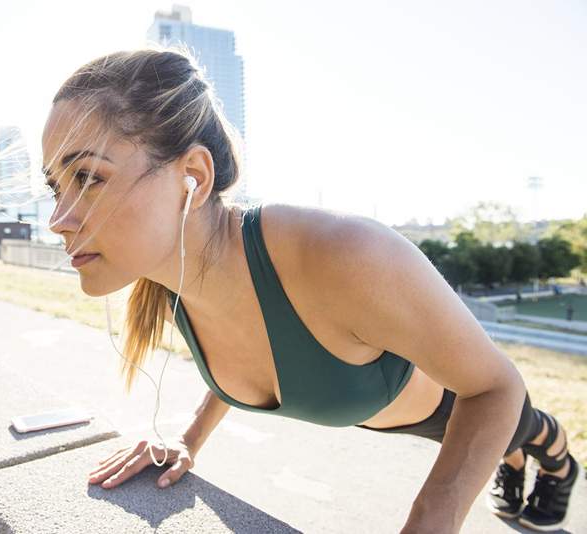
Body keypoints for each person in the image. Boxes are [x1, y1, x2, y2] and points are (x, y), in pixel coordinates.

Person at [39, 46, 580, 533]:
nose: (59, 219)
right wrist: (188, 439)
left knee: (521, 432)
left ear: (194, 177)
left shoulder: (343, 251)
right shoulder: (171, 276)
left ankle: (556, 458)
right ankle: (513, 460)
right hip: (373, 413)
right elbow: (249, 348)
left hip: (456, 403)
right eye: (55, 186)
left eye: (87, 176)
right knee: (505, 448)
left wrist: (428, 522)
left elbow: (493, 388)